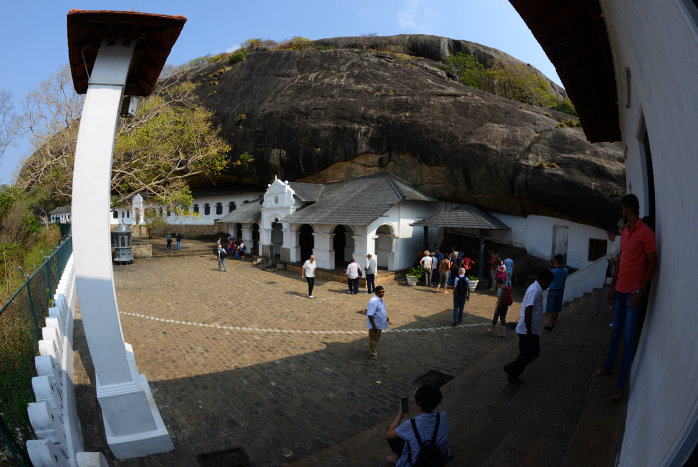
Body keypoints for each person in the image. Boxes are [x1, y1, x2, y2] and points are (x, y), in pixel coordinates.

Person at [594, 194, 658, 400]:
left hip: (633, 295)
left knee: (629, 339)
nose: (621, 213)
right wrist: (613, 284)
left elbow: (653, 265)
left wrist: (640, 291)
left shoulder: (646, 233)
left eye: (623, 209)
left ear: (629, 210)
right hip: (620, 290)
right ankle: (608, 366)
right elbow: (622, 259)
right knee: (616, 333)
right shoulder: (627, 234)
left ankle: (621, 385)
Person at [503, 269, 554, 383]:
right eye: (548, 282)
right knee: (533, 352)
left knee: (524, 353)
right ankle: (511, 369)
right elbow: (528, 310)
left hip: (528, 328)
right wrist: (529, 331)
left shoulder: (536, 289)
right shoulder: (534, 290)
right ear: (543, 280)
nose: (548, 285)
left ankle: (513, 375)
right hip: (527, 329)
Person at [386, 384, 451, 465]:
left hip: (418, 462)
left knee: (393, 430)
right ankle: (396, 456)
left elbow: (389, 434)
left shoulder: (411, 424)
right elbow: (432, 406)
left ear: (418, 404)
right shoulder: (443, 417)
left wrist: (400, 415)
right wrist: (420, 397)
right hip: (439, 458)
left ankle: (397, 457)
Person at [544, 254, 568, 331]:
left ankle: (550, 325)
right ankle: (553, 322)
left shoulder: (552, 271)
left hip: (553, 291)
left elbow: (548, 279)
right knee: (557, 309)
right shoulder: (565, 270)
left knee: (550, 309)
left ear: (556, 261)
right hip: (561, 291)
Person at [367, 286, 389, 360]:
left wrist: (386, 317)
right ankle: (372, 354)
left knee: (375, 339)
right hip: (375, 325)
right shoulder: (373, 301)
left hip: (380, 324)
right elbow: (370, 315)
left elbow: (381, 310)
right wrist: (374, 326)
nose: (382, 293)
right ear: (376, 292)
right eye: (380, 292)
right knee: (373, 340)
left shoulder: (380, 299)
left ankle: (372, 350)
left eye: (383, 292)